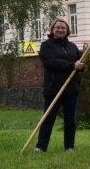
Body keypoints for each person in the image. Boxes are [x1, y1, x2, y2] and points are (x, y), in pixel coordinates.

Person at [34, 18, 84, 153]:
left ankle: (69, 147)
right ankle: (41, 147)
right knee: (48, 118)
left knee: (70, 120)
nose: (61, 30)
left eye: (63, 28)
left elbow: (78, 64)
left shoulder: (73, 47)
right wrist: (71, 65)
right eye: (58, 28)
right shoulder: (46, 45)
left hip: (71, 89)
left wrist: (80, 66)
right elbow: (50, 62)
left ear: (67, 30)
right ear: (52, 30)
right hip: (53, 88)